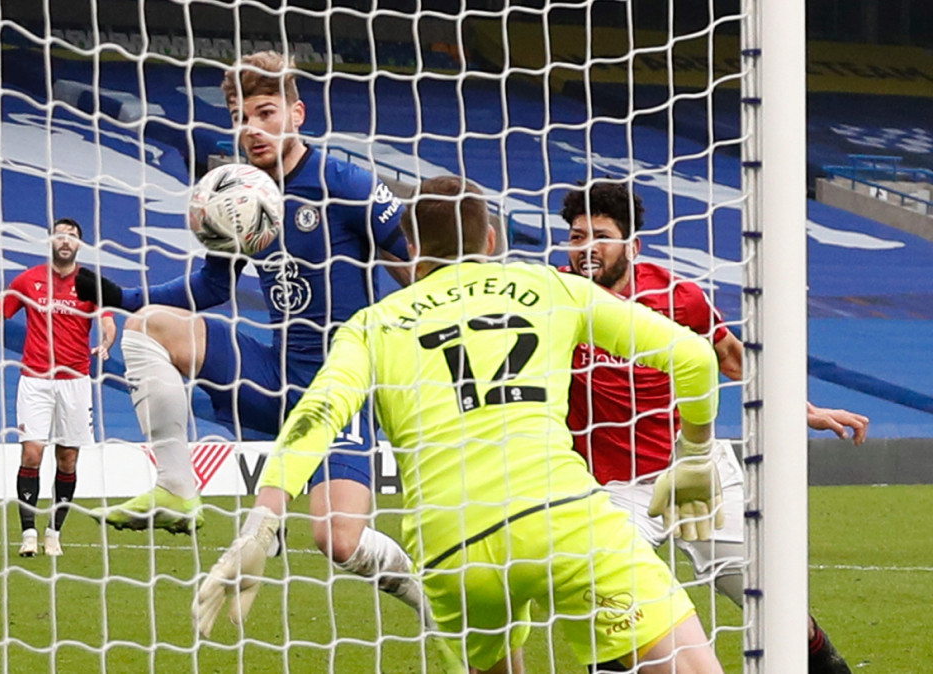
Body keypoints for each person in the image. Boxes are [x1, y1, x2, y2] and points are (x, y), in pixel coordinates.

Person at [194, 176, 728, 674]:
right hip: (564, 521)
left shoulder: (372, 325)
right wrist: (697, 453)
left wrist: (262, 521)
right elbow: (696, 360)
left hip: (452, 546)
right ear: (492, 238)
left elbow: (317, 415)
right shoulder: (549, 287)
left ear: (411, 247)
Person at [74, 51, 429, 623]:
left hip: (339, 391)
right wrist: (119, 298)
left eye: (265, 113)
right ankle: (175, 487)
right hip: (271, 374)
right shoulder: (239, 193)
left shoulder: (343, 180)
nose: (251, 128)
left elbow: (416, 263)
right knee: (146, 329)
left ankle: (423, 592)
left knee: (338, 543)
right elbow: (209, 287)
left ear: (297, 113)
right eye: (240, 116)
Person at [561, 181, 868, 674]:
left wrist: (801, 408)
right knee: (620, 616)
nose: (586, 249)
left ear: (633, 246)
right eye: (576, 237)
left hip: (696, 472)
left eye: (600, 236)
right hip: (611, 490)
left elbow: (731, 358)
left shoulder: (677, 298)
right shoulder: (555, 300)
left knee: (776, 607)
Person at [0, 218, 116, 557]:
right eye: (60, 234)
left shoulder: (90, 284)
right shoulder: (29, 280)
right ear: (50, 240)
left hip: (75, 381)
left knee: (68, 459)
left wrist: (106, 341)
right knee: (32, 452)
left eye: (72, 236)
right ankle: (28, 533)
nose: (65, 240)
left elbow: (107, 321)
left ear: (79, 245)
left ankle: (53, 533)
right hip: (35, 379)